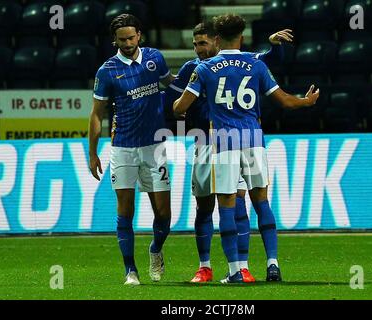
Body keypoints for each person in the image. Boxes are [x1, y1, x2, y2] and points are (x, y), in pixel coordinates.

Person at [173, 14, 319, 283]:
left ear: (216, 39)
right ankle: (273, 265)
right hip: (254, 140)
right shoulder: (255, 64)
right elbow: (285, 101)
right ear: (242, 37)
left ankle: (233, 272)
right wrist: (306, 102)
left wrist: (182, 102)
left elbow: (180, 107)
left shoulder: (205, 69)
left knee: (226, 206)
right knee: (261, 202)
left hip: (223, 144)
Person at [88, 14, 175, 286]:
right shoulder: (107, 71)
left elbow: (170, 85)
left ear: (139, 35)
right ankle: (130, 271)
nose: (127, 43)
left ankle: (155, 249)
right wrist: (92, 152)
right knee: (125, 211)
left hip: (155, 146)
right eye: (121, 39)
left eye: (131, 37)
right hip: (122, 147)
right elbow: (96, 115)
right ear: (114, 39)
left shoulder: (155, 58)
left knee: (164, 215)